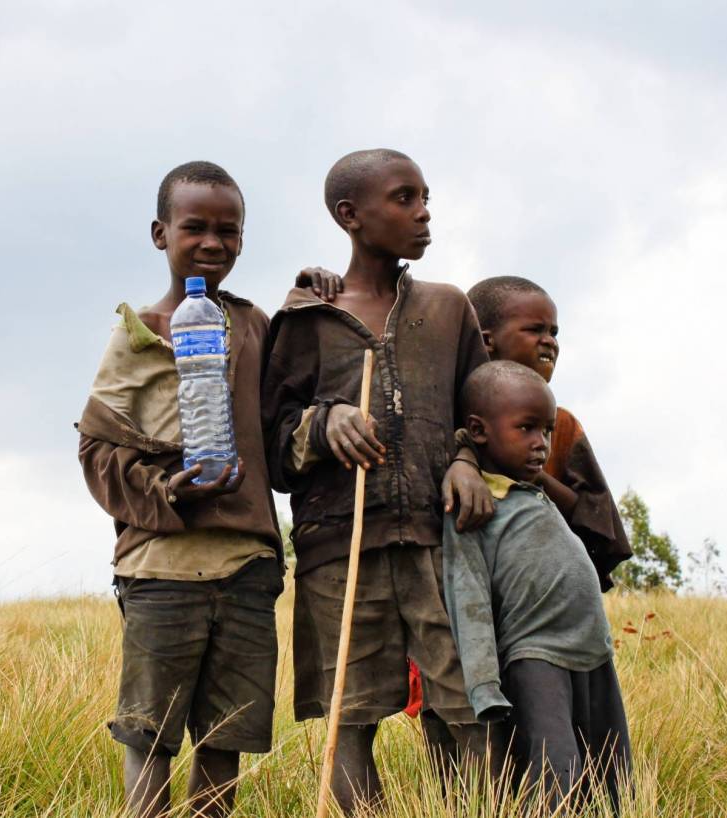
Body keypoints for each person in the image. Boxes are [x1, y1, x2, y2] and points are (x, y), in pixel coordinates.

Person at [262, 148, 494, 813]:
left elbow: (479, 416)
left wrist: (464, 460)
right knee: (350, 718)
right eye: (404, 198)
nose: (424, 214)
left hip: (439, 545)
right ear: (350, 216)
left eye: (426, 197)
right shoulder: (305, 322)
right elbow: (273, 448)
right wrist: (321, 423)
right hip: (340, 550)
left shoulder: (449, 311)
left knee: (469, 708)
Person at [77, 160, 295, 818]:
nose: (211, 242)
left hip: (246, 564)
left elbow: (282, 424)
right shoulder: (137, 335)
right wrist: (168, 490)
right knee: (150, 731)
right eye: (194, 227)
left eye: (229, 231)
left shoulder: (255, 326)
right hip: (160, 567)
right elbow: (96, 450)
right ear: (159, 233)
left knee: (226, 735)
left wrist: (314, 296)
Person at [444, 360, 632, 810]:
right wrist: (485, 686)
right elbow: (465, 593)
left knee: (613, 777)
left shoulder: (535, 493)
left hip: (594, 654)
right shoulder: (475, 500)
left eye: (546, 431)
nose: (541, 445)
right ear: (479, 429)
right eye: (526, 429)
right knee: (554, 777)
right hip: (534, 656)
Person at [465, 276, 632, 590]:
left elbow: (599, 531)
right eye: (535, 330)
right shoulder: (450, 416)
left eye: (554, 332)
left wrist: (534, 477)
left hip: (542, 593)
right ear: (487, 340)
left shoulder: (563, 426)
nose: (550, 341)